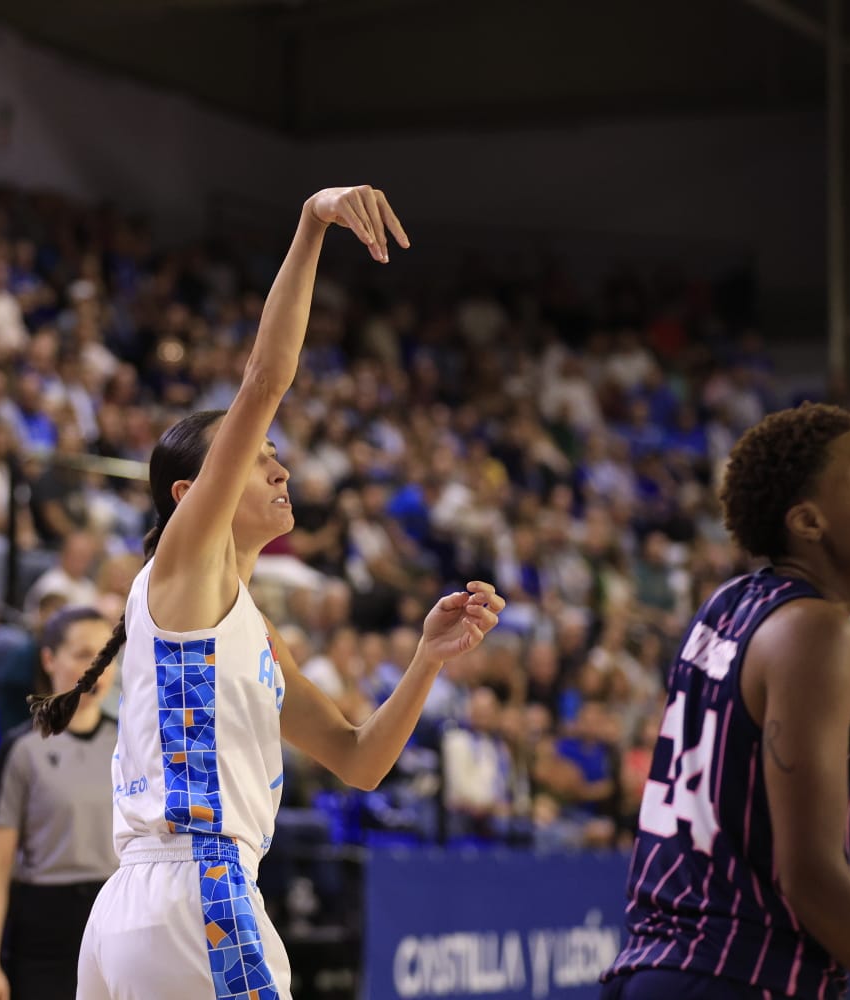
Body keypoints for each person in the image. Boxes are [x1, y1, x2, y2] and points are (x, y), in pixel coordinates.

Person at [28, 186, 506, 1000]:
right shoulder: (185, 568)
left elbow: (359, 760)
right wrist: (312, 220)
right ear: (192, 496)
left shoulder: (237, 620)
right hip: (196, 896)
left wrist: (426, 659)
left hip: (131, 914)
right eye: (257, 458)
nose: (279, 466)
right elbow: (264, 379)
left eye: (276, 455)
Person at [601, 403, 850, 1000]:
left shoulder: (730, 604)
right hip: (740, 975)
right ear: (809, 522)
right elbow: (810, 875)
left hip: (655, 968)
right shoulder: (816, 631)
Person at [0, 607, 119, 1000]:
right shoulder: (22, 749)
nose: (95, 668)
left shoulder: (132, 744)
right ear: (49, 659)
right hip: (44, 926)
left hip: (119, 917)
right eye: (82, 654)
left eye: (105, 656)